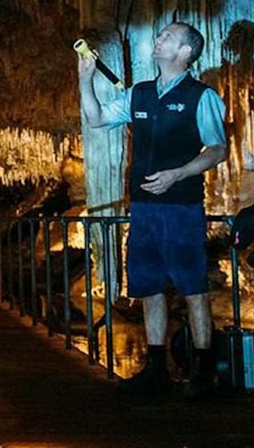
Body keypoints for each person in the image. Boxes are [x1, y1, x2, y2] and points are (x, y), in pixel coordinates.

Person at [79, 22, 230, 397]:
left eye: (167, 37)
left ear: (184, 52)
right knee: (148, 287)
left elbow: (217, 148)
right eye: (160, 35)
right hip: (144, 206)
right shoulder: (140, 95)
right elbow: (96, 118)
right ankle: (157, 368)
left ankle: (201, 372)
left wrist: (179, 174)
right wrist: (85, 80)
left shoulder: (202, 96)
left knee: (193, 287)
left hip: (180, 207)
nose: (158, 40)